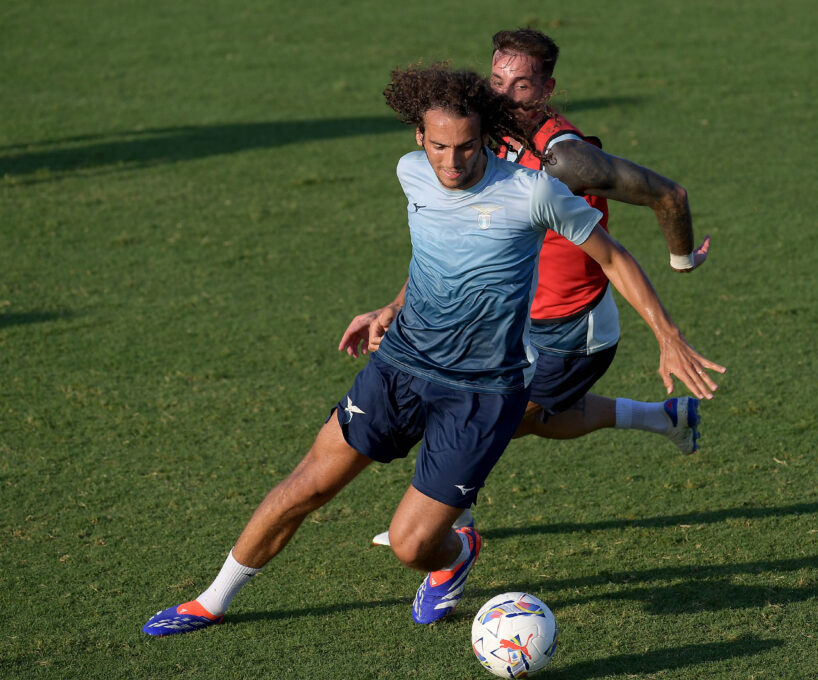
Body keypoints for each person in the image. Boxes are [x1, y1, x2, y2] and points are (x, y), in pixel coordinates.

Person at [142, 66, 725, 636]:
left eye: (467, 147)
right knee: (308, 486)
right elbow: (435, 254)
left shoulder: (534, 193)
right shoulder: (411, 173)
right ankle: (211, 600)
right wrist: (389, 309)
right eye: (439, 146)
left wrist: (667, 334)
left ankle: (457, 549)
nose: (452, 162)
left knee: (412, 545)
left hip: (484, 392)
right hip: (401, 365)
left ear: (486, 136)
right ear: (420, 136)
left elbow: (614, 257)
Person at [340, 30, 720, 544]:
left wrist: (679, 271)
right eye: (496, 80)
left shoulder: (566, 161)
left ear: (546, 90)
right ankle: (664, 419)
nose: (502, 95)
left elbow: (667, 195)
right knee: (520, 418)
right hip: (506, 324)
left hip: (567, 331)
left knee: (483, 421)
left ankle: (446, 533)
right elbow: (455, 243)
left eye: (520, 85)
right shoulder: (479, 140)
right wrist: (395, 304)